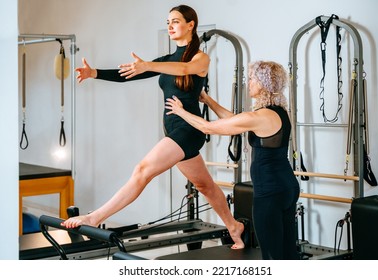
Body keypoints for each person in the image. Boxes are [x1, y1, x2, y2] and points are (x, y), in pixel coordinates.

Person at [61, 5, 245, 249]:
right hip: (174, 130)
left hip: (188, 130)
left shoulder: (200, 58)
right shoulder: (167, 60)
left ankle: (94, 218)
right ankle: (234, 226)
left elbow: (183, 69)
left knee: (142, 170)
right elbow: (131, 73)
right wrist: (94, 72)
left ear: (191, 25)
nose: (170, 26)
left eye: (176, 21)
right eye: (168, 21)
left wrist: (148, 65)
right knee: (205, 186)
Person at [165, 60, 300, 259]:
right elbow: (234, 120)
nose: (249, 83)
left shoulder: (260, 116)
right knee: (288, 252)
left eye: (253, 79)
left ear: (263, 83)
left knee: (272, 256)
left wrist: (180, 111)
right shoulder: (276, 112)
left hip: (270, 193)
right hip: (286, 187)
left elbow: (207, 128)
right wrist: (208, 100)